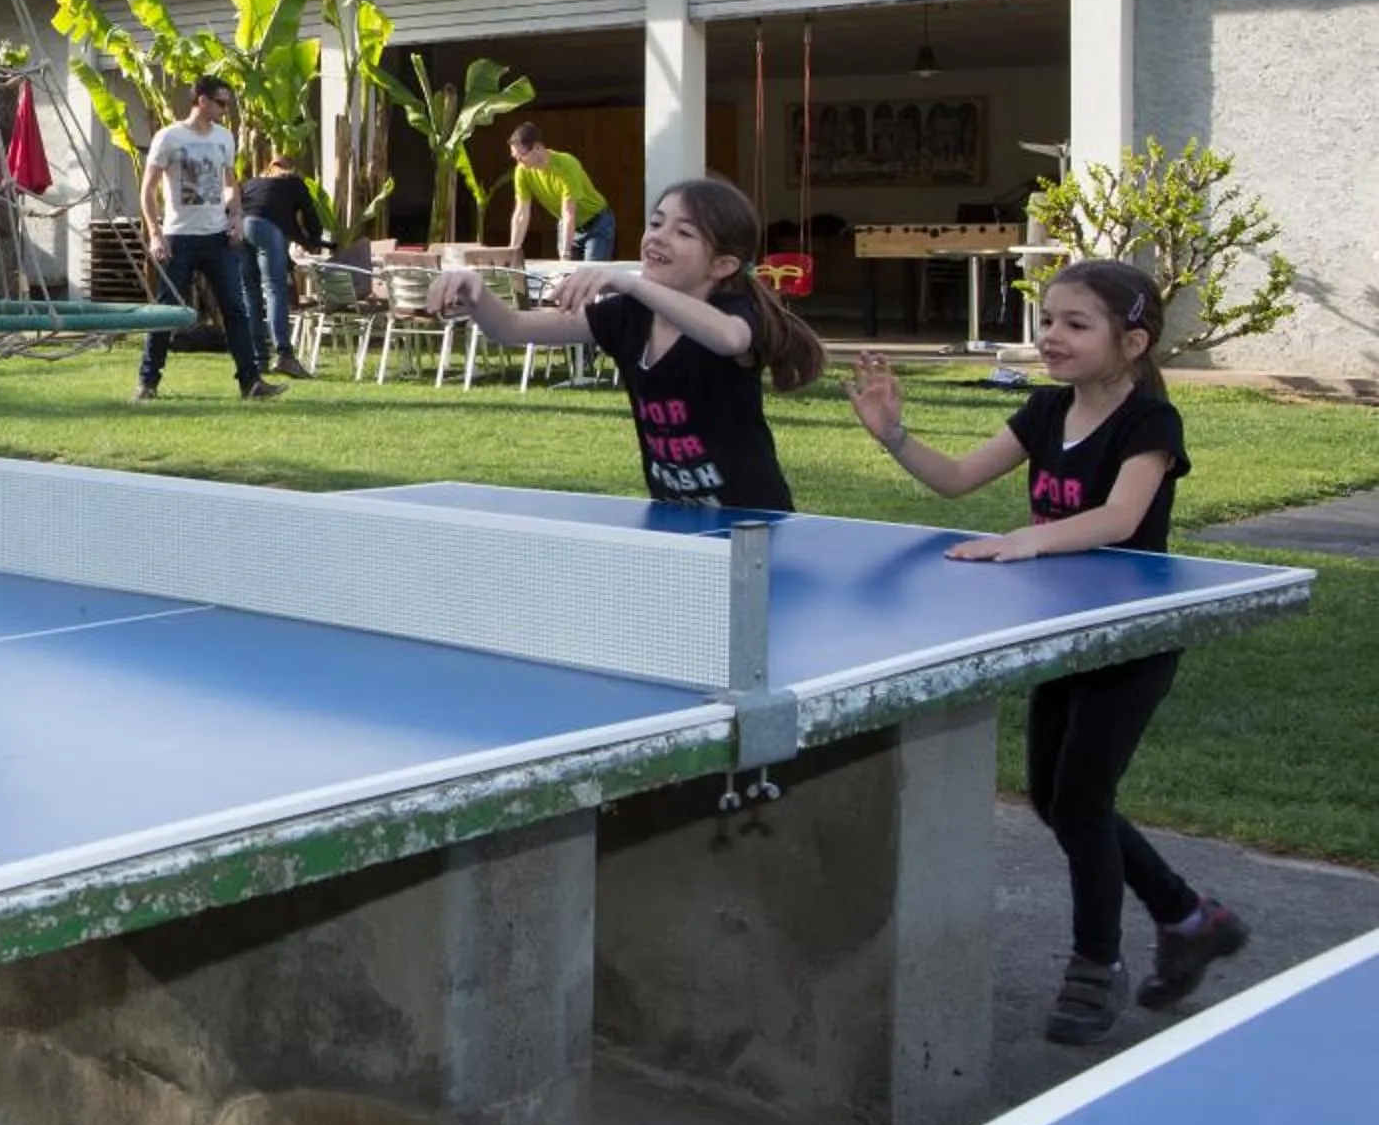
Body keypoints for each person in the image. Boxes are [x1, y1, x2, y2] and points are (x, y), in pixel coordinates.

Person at [845, 258, 1247, 1046]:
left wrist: (1028, 539)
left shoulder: (1150, 423)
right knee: (1056, 799)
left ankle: (1096, 965)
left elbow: (1121, 518)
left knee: (1082, 803)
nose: (1052, 335)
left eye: (1076, 324)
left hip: (1131, 637)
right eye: (1048, 320)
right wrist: (893, 433)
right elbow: (957, 479)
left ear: (1132, 342)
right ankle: (1190, 918)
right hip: (1061, 632)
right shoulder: (1044, 409)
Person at [431, 174, 823, 509]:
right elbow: (513, 328)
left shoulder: (731, 311)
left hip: (753, 523)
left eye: (683, 232)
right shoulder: (626, 317)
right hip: (675, 517)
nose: (659, 238)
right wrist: (475, 292)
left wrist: (630, 283)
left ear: (722, 265)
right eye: (656, 223)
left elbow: (729, 338)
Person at [133, 76, 284, 403]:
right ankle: (147, 383)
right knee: (165, 312)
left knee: (235, 309)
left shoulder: (224, 138)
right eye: (220, 103)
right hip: (178, 237)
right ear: (201, 100)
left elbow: (230, 183)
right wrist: (155, 233)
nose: (225, 109)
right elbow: (147, 189)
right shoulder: (169, 137)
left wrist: (236, 217)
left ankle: (251, 383)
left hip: (217, 238)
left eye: (227, 103)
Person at [235, 149, 328, 378]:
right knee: (275, 289)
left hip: (242, 228)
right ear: (291, 169)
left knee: (250, 292)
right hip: (266, 230)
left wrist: (304, 241)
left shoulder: (252, 183)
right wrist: (314, 241)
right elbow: (310, 215)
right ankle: (284, 354)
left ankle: (258, 358)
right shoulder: (294, 183)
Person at [504, 122, 615, 263]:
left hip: (596, 224)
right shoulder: (522, 171)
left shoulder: (566, 165)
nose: (519, 162)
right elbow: (521, 213)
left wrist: (565, 254)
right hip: (568, 224)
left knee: (589, 272)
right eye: (515, 157)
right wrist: (513, 251)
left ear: (537, 148)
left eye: (521, 156)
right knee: (566, 274)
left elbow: (569, 212)